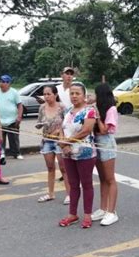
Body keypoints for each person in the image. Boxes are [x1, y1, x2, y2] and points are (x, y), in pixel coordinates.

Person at [58, 83, 97, 229]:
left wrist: (66, 141)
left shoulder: (90, 111)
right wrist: (63, 144)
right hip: (68, 153)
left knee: (86, 184)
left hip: (85, 152)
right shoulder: (68, 111)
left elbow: (85, 131)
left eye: (77, 93)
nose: (74, 96)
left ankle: (87, 215)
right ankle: (72, 214)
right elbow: (62, 129)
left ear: (84, 95)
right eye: (72, 93)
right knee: (73, 184)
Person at [35, 85, 70, 204]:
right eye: (44, 94)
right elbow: (39, 122)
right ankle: (50, 193)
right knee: (50, 168)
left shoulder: (62, 107)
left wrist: (59, 131)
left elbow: (68, 124)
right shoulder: (42, 107)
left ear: (55, 95)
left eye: (49, 94)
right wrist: (39, 125)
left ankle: (69, 195)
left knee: (63, 168)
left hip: (59, 141)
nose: (46, 97)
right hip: (47, 140)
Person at [91, 83, 119, 226]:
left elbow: (104, 130)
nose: (94, 97)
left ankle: (112, 211)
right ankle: (103, 208)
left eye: (96, 94)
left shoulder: (111, 109)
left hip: (106, 143)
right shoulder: (99, 108)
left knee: (110, 179)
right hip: (96, 142)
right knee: (102, 178)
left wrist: (96, 117)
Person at [0, 74, 24, 160]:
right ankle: (1, 153)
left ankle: (16, 153)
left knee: (14, 138)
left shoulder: (14, 92)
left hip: (12, 120)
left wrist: (19, 117)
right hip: (0, 120)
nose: (1, 83)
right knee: (0, 137)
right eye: (0, 82)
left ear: (8, 83)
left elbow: (20, 105)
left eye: (3, 82)